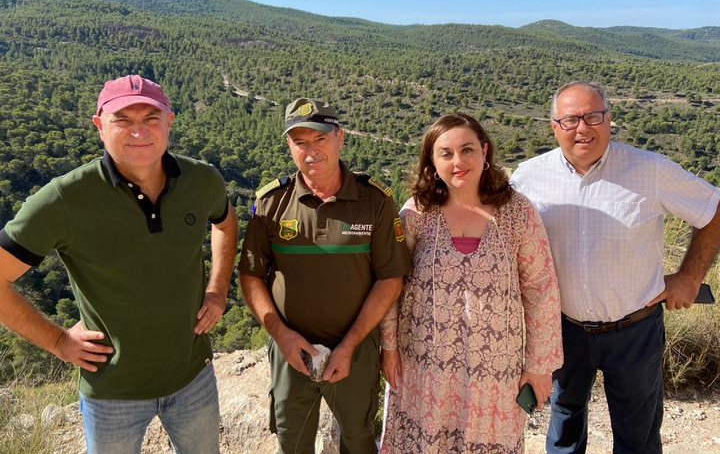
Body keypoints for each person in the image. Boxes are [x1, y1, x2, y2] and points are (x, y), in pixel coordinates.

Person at [0, 75, 238, 454]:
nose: (139, 131)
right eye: (122, 120)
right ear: (99, 125)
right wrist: (59, 341)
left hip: (193, 378)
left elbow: (225, 223)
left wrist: (218, 289)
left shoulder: (202, 180)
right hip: (112, 393)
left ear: (169, 121)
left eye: (150, 118)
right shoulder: (63, 200)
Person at [511, 80, 720, 454]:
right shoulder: (528, 177)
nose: (583, 128)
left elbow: (712, 210)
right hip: (563, 328)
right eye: (571, 119)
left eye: (594, 116)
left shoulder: (651, 170)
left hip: (635, 329)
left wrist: (690, 277)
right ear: (554, 126)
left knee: (637, 436)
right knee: (564, 428)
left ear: (609, 120)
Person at [379, 113, 563, 454]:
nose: (458, 161)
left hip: (494, 372)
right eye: (445, 153)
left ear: (485, 151)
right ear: (432, 163)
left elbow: (541, 290)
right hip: (423, 367)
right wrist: (388, 348)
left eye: (467, 150)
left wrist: (539, 367)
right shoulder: (416, 213)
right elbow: (392, 285)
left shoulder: (517, 213)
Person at [239, 97, 410, 454]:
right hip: (290, 350)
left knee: (358, 439)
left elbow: (390, 278)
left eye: (320, 139)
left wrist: (349, 346)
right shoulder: (271, 204)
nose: (310, 151)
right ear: (289, 146)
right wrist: (281, 336)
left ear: (340, 138)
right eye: (300, 141)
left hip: (356, 349)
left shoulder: (374, 201)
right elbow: (251, 276)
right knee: (292, 441)